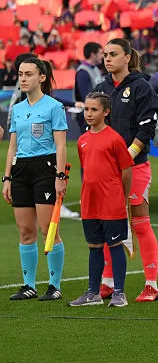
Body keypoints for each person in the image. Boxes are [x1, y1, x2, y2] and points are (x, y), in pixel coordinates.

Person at [95, 38, 158, 302]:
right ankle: (108, 282)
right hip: (107, 169)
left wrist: (126, 157)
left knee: (140, 222)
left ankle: (151, 285)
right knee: (108, 223)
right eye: (105, 55)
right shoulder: (101, 89)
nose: (108, 59)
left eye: (113, 54)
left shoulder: (142, 88)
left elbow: (147, 129)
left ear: (127, 57)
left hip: (134, 166)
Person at [2, 57, 68, 301]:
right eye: (20, 74)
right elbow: (12, 148)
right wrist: (6, 178)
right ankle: (28, 285)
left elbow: (61, 145)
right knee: (25, 230)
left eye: (28, 74)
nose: (23, 78)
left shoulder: (53, 106)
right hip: (21, 171)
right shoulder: (18, 109)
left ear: (41, 77)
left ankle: (54, 285)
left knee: (48, 230)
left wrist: (59, 175)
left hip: (45, 168)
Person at [68, 93, 134, 307]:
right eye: (86, 109)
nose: (88, 113)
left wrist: (122, 197)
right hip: (90, 201)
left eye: (94, 109)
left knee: (115, 245)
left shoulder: (115, 139)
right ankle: (92, 293)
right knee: (94, 246)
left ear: (106, 112)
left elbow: (126, 171)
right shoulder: (82, 140)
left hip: (111, 202)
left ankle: (119, 293)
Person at [74, 42, 104, 133]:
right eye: (100, 53)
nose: (102, 56)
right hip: (87, 114)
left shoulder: (95, 69)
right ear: (92, 55)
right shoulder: (83, 72)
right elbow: (86, 97)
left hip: (96, 111)